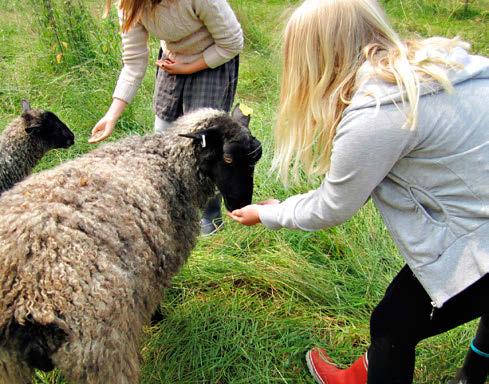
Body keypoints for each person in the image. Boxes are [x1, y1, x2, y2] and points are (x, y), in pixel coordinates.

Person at [228, 0, 489, 382]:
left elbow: (334, 206)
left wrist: (269, 213)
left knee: (393, 325)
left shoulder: (376, 113)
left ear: (315, 57)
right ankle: (473, 375)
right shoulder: (446, 63)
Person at [90, 0, 243, 235]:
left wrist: (189, 67)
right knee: (163, 137)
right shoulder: (129, 4)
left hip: (214, 59)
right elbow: (133, 62)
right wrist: (112, 114)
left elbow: (232, 43)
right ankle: (170, 209)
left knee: (204, 146)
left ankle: (210, 215)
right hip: (173, 61)